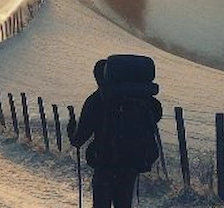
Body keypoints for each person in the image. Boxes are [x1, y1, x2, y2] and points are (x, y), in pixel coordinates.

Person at [68, 57, 163, 208]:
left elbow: (79, 139)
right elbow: (156, 114)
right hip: (131, 163)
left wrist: (72, 130)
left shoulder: (97, 99)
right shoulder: (141, 98)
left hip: (105, 163)